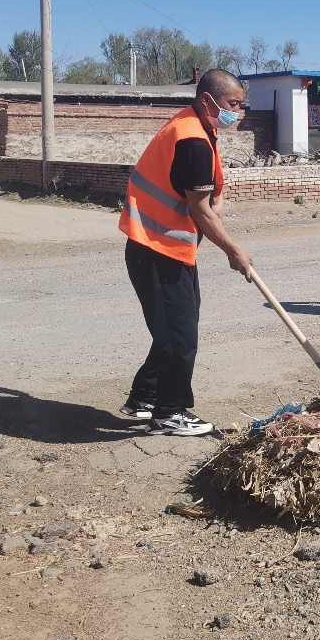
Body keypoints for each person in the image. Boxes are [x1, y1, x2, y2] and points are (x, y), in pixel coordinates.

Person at [118, 69, 254, 436]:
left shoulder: (195, 125)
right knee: (180, 335)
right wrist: (232, 250)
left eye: (240, 105)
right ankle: (169, 413)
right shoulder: (192, 138)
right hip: (157, 250)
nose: (238, 112)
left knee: (176, 326)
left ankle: (145, 397)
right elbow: (199, 209)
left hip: (166, 249)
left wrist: (217, 206)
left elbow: (205, 195)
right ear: (208, 101)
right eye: (233, 104)